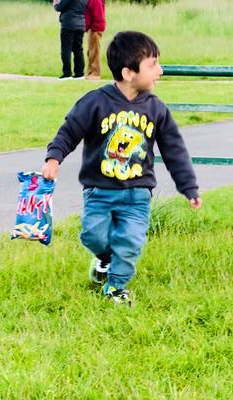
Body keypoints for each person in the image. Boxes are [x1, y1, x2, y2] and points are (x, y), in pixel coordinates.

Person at [42, 31, 202, 306]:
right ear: (129, 72)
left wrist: (188, 187)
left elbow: (174, 150)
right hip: (99, 191)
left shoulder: (157, 109)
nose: (160, 71)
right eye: (153, 65)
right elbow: (69, 132)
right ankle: (105, 259)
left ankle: (116, 287)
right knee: (92, 235)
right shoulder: (95, 102)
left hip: (137, 195)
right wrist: (54, 158)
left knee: (129, 243)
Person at [53, 0, 88, 80]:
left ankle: (67, 73)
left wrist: (55, 4)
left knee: (66, 50)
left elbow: (60, 7)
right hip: (81, 25)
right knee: (78, 50)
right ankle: (79, 73)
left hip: (68, 24)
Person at [85, 0, 106, 80]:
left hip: (95, 28)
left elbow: (99, 15)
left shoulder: (95, 0)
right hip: (92, 28)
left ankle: (95, 73)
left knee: (94, 51)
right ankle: (90, 72)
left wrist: (95, 28)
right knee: (90, 51)